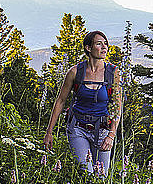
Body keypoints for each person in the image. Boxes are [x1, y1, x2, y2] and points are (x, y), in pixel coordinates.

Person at [43, 31, 122, 175]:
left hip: (103, 130)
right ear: (88, 48)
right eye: (99, 44)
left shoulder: (113, 73)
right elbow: (60, 101)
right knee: (86, 173)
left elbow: (118, 107)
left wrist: (111, 135)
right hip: (78, 128)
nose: (104, 47)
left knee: (101, 177)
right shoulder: (75, 72)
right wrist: (49, 132)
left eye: (106, 44)